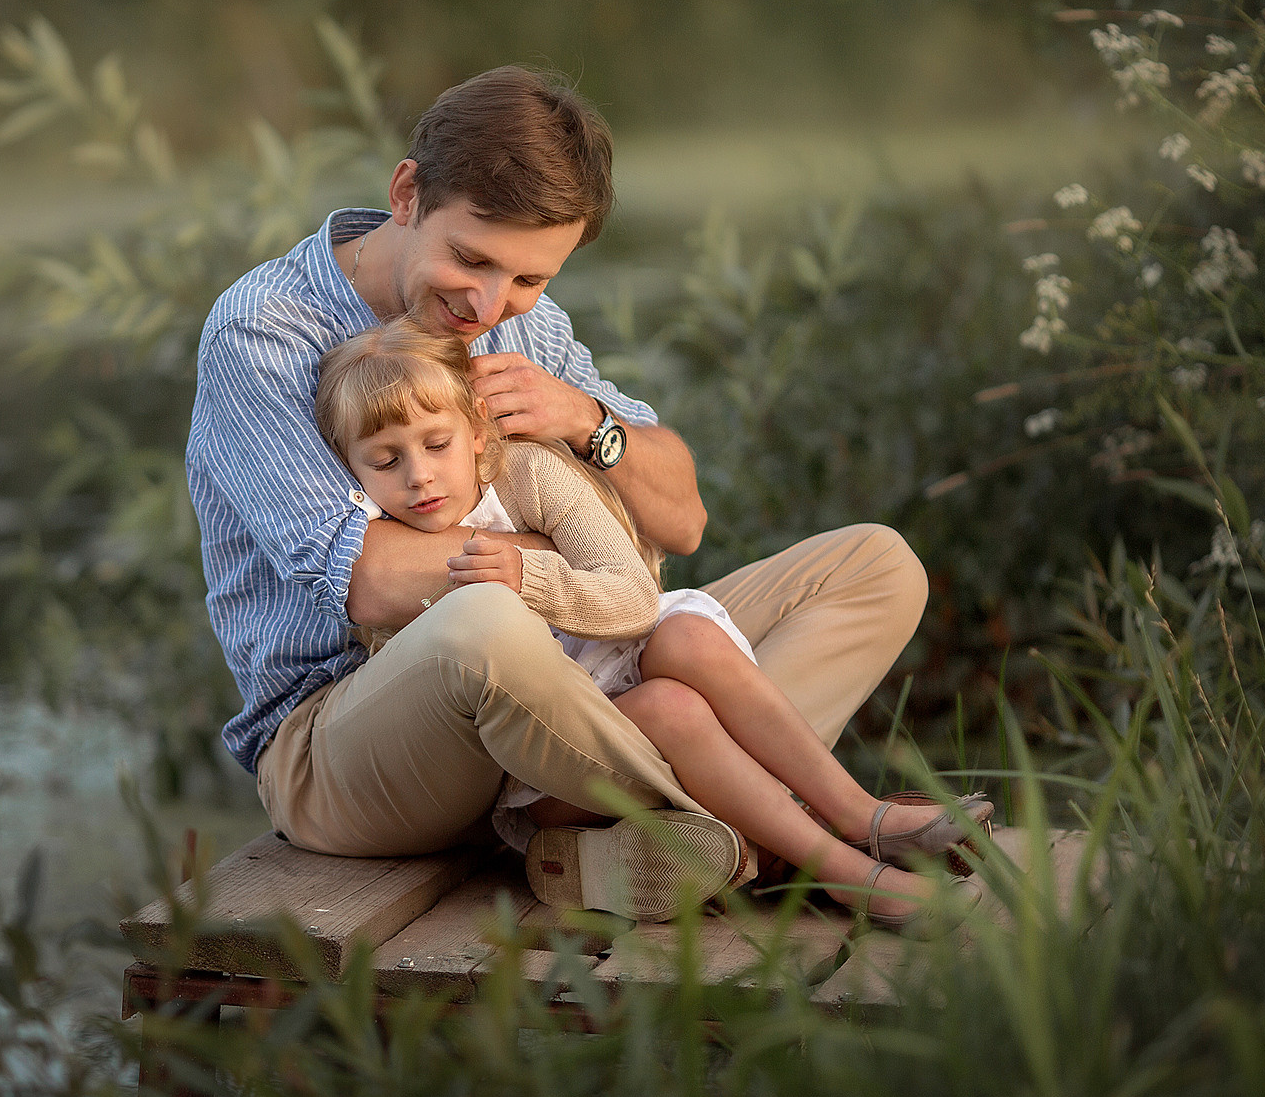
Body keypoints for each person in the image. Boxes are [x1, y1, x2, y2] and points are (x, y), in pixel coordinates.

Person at [185, 64, 963, 925]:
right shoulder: (265, 332)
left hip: (566, 681)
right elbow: (368, 579)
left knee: (872, 565)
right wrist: (580, 560)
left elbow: (684, 520)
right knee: (483, 618)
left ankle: (598, 836)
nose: (488, 303)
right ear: (406, 194)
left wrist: (586, 419)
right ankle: (793, 836)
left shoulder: (522, 322)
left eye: (529, 278)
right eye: (470, 258)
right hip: (350, 741)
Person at [312, 316, 987, 927]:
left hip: (616, 670)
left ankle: (857, 814)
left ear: (478, 432)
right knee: (673, 710)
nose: (420, 477)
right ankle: (846, 873)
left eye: (436, 443)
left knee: (686, 635)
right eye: (385, 460)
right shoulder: (373, 544)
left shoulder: (527, 471)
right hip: (545, 765)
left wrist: (529, 574)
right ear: (352, 468)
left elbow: (634, 596)